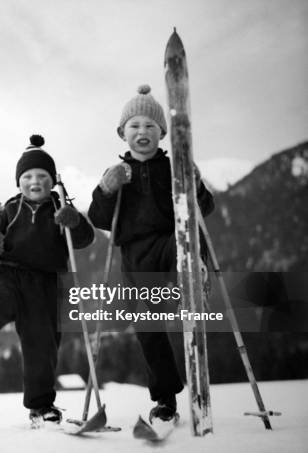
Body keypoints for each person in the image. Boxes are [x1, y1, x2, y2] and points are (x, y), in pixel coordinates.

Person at [88, 85, 215, 423]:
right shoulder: (117, 173)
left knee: (183, 242)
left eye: (149, 126)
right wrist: (106, 189)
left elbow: (205, 208)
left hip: (172, 241)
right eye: (134, 126)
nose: (142, 132)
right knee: (148, 328)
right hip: (135, 255)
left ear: (161, 132)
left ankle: (191, 279)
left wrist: (196, 183)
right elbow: (99, 218)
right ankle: (165, 400)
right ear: (122, 133)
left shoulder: (175, 167)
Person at [0, 134, 94, 423]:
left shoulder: (60, 208)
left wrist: (74, 221)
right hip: (10, 273)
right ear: (19, 181)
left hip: (46, 282)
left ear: (52, 180)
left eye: (42, 175)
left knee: (42, 343)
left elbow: (84, 239)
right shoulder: (10, 209)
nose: (34, 181)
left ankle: (40, 406)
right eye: (27, 176)